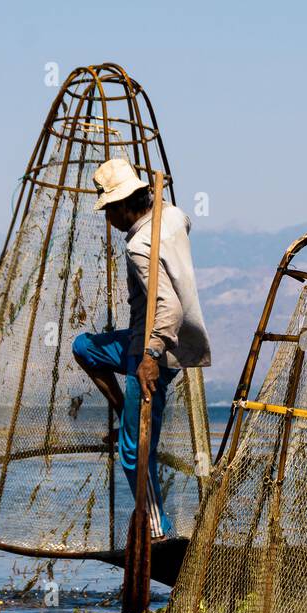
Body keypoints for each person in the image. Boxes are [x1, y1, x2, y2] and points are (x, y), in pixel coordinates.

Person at [71, 157, 211, 538]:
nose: (109, 220)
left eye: (110, 211)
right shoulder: (173, 216)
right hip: (138, 339)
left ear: (122, 205)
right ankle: (124, 414)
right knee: (84, 347)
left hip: (153, 349)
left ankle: (156, 529)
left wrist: (150, 357)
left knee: (135, 452)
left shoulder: (139, 246)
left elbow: (169, 306)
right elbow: (184, 222)